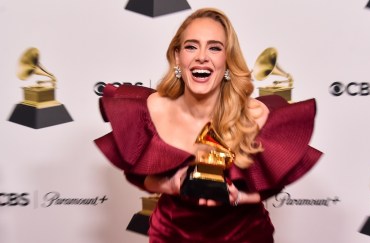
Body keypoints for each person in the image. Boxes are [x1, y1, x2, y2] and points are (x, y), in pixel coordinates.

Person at [95, 7, 322, 243]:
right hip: (171, 235)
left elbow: (269, 185)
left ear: (227, 59)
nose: (201, 56)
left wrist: (237, 196)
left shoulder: (254, 114)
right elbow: (142, 177)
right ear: (177, 57)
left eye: (214, 47)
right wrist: (172, 184)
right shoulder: (150, 109)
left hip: (244, 236)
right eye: (191, 46)